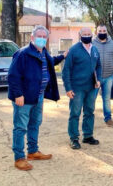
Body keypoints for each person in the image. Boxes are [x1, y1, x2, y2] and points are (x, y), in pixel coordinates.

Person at [8, 25, 67, 170]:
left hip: (38, 97)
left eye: (44, 36)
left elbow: (51, 61)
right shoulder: (23, 54)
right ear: (32, 37)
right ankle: (19, 158)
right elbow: (13, 76)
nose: (41, 39)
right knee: (20, 128)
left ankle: (33, 151)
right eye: (38, 36)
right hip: (24, 98)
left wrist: (63, 56)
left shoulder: (44, 53)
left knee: (35, 124)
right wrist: (18, 94)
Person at [62, 27, 102, 149]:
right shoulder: (73, 50)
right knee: (75, 113)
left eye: (89, 34)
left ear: (92, 35)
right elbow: (66, 70)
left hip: (91, 88)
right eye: (84, 34)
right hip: (77, 88)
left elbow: (98, 66)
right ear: (79, 35)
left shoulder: (94, 49)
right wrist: (68, 88)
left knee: (89, 111)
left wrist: (98, 79)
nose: (86, 36)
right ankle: (74, 138)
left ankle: (88, 135)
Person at [92, 25, 113, 128]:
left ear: (107, 32)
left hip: (109, 76)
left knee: (107, 99)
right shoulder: (92, 44)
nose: (102, 32)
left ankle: (108, 119)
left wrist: (111, 66)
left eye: (104, 30)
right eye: (100, 31)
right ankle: (89, 119)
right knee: (92, 98)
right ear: (96, 32)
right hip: (95, 77)